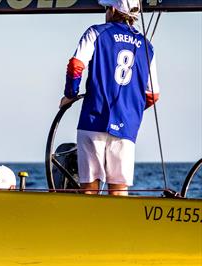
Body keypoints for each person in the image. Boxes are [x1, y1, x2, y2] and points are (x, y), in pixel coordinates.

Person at [61, 0, 159, 196]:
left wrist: (70, 95)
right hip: (126, 126)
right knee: (119, 191)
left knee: (89, 188)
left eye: (106, 8)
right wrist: (130, 109)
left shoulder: (96, 32)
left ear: (113, 9)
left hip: (92, 120)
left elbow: (76, 65)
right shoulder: (147, 46)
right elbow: (153, 94)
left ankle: (88, 225)